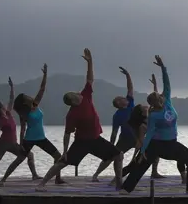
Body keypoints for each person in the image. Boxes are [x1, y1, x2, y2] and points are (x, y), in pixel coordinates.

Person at [36, 48, 123, 190]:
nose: (78, 95)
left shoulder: (86, 94)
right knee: (63, 162)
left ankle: (119, 183)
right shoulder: (72, 114)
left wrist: (90, 62)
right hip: (81, 142)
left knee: (118, 155)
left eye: (77, 94)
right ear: (73, 101)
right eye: (75, 96)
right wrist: (64, 151)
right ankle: (42, 183)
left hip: (96, 139)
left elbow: (90, 78)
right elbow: (67, 134)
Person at [121, 55, 188, 194]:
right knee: (140, 164)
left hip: (171, 143)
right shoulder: (154, 115)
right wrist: (143, 149)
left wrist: (163, 68)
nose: (161, 97)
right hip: (156, 144)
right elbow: (150, 132)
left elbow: (167, 84)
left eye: (161, 96)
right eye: (158, 97)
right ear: (155, 102)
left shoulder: (167, 102)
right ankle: (126, 189)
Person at [0, 64, 65, 186]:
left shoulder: (35, 104)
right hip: (29, 140)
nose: (30, 97)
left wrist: (45, 74)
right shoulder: (24, 114)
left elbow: (42, 88)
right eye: (27, 97)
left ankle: (57, 179)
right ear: (25, 102)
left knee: (58, 156)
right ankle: (2, 180)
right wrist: (22, 144)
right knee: (19, 160)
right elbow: (22, 129)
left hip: (41, 138)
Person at [92, 66, 136, 182]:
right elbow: (114, 132)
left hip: (137, 137)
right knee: (112, 157)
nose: (123, 98)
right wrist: (110, 145)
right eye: (120, 99)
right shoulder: (117, 115)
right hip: (125, 139)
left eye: (122, 97)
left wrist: (127, 75)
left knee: (151, 153)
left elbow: (130, 88)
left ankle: (154, 172)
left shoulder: (130, 103)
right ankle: (96, 175)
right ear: (119, 104)